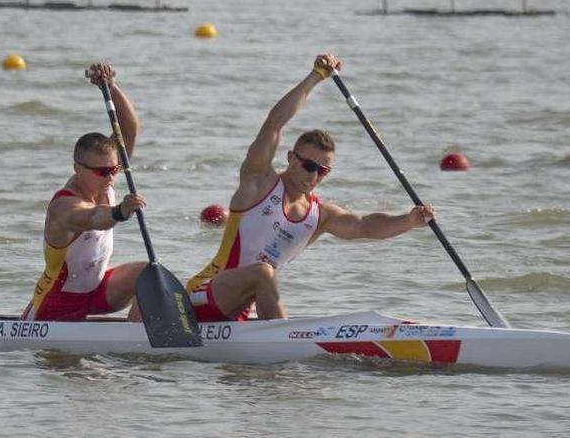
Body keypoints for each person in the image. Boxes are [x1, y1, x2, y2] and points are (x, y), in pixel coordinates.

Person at [185, 54, 437, 321]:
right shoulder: (259, 182)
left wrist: (409, 220)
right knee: (263, 272)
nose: (314, 175)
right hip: (205, 293)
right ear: (291, 158)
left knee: (264, 275)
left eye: (323, 170)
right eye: (309, 165)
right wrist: (315, 77)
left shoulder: (320, 216)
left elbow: (365, 225)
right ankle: (283, 345)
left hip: (243, 309)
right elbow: (274, 123)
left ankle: (283, 342)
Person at [23, 63, 147, 321]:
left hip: (96, 292)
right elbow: (93, 218)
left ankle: (139, 344)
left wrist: (111, 87)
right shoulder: (64, 207)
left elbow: (130, 130)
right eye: (102, 172)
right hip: (54, 307)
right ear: (77, 169)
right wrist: (121, 211)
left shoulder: (105, 177)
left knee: (148, 275)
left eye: (114, 169)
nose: (111, 176)